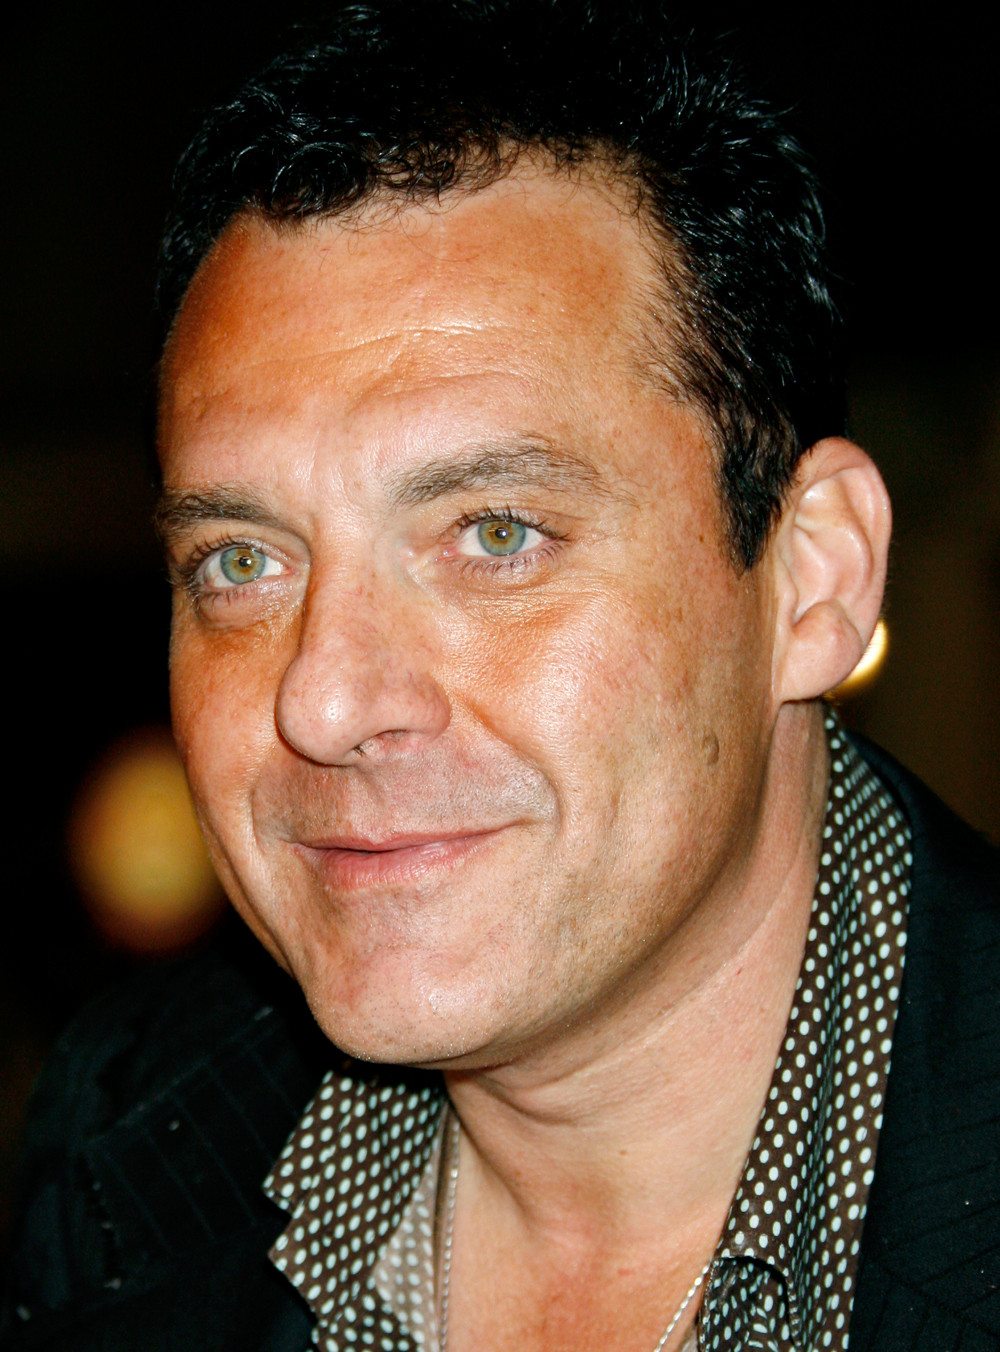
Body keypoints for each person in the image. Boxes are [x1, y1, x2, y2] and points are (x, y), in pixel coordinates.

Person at [3, 3, 998, 1350]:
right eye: (242, 561)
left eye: (495, 535)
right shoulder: (131, 1139)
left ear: (813, 579)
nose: (323, 702)